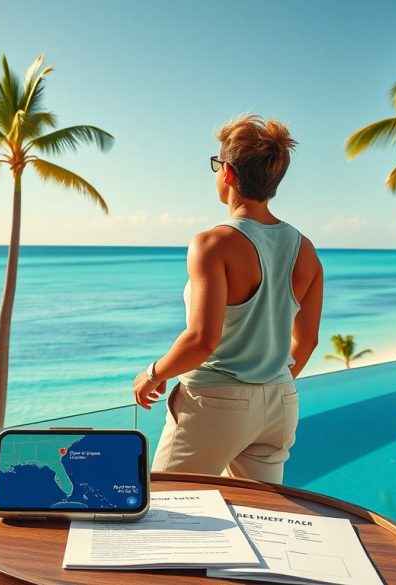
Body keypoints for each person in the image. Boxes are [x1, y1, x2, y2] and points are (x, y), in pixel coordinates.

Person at [133, 115, 323, 484]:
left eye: (216, 164)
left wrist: (152, 374)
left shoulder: (213, 243)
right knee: (263, 518)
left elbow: (202, 339)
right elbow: (308, 340)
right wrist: (265, 384)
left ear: (229, 173)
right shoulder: (306, 250)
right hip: (281, 401)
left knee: (169, 508)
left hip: (214, 403)